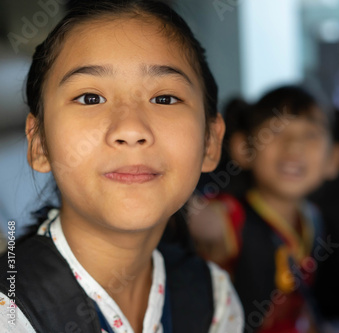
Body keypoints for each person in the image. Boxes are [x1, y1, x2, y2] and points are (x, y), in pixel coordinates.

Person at [0, 1, 244, 332]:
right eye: (90, 98)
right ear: (40, 143)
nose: (131, 129)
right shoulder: (10, 312)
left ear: (210, 142)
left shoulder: (213, 298)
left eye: (164, 99)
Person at [188, 86, 339, 333]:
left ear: (333, 160)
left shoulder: (312, 219)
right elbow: (191, 216)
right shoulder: (228, 215)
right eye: (276, 131)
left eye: (311, 135)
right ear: (244, 149)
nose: (294, 146)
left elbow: (301, 303)